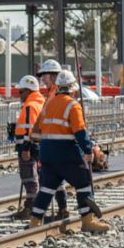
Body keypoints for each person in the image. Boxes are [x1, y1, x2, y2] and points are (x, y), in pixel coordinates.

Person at [29, 70, 110, 233]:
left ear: (58, 87)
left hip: (47, 153)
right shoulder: (73, 105)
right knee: (83, 184)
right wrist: (88, 150)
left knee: (47, 188)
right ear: (73, 88)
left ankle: (35, 222)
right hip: (67, 154)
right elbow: (80, 132)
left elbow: (36, 132)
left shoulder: (48, 103)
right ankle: (87, 221)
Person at [30, 58, 70, 217]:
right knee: (55, 178)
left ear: (53, 75)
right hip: (50, 141)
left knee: (50, 178)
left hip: (55, 142)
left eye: (44, 76)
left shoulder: (56, 93)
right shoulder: (51, 93)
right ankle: (62, 208)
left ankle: (43, 213)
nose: (42, 79)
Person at [13, 75, 45, 220]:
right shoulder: (41, 102)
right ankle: (36, 206)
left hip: (28, 148)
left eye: (21, 92)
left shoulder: (30, 106)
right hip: (39, 146)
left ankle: (31, 207)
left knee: (29, 178)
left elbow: (29, 129)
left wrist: (25, 149)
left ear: (28, 90)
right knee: (38, 176)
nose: (19, 95)